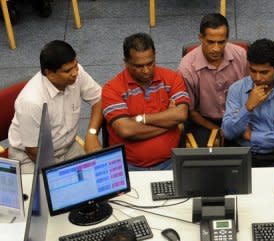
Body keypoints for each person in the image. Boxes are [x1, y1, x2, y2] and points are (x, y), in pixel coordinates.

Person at [8, 40, 103, 173]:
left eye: (75, 65)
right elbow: (33, 150)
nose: (75, 72)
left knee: (97, 176)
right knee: (50, 192)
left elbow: (99, 99)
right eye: (68, 71)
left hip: (68, 148)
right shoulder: (31, 102)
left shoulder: (76, 73)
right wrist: (61, 174)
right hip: (31, 158)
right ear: (50, 74)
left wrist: (92, 134)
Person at [102, 33, 190, 170]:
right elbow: (126, 130)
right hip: (128, 166)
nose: (146, 70)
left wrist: (140, 119)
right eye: (139, 66)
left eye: (150, 63)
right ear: (126, 62)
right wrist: (170, 122)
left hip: (170, 162)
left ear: (155, 56)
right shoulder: (111, 88)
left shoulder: (172, 78)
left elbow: (181, 115)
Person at [222, 38, 274, 167]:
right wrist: (248, 107)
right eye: (253, 71)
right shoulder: (236, 90)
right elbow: (228, 132)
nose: (257, 78)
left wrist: (252, 136)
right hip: (243, 155)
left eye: (264, 72)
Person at [178, 13, 247, 147]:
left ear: (227, 39)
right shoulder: (186, 68)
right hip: (203, 122)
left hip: (238, 116)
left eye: (221, 42)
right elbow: (191, 112)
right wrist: (217, 130)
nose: (216, 48)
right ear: (200, 38)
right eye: (210, 42)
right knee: (204, 160)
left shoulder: (242, 56)